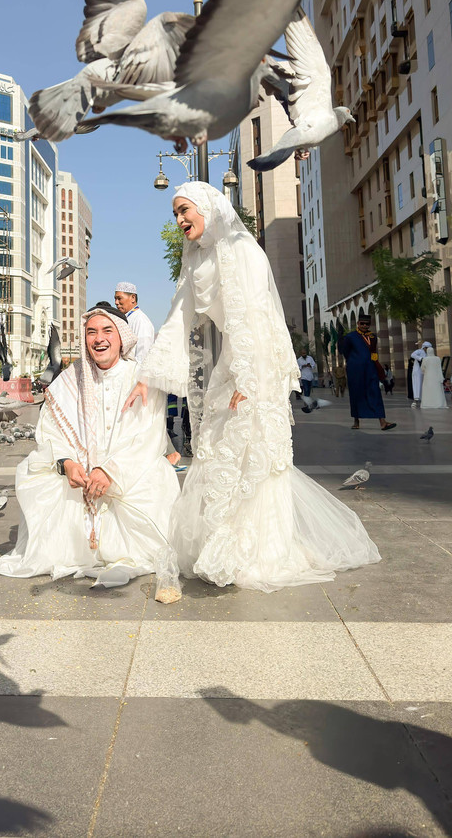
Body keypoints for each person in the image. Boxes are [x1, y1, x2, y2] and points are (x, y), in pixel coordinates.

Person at [123, 182, 380, 592]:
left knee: (255, 451)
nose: (179, 220)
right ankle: (224, 545)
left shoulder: (242, 250)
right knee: (219, 447)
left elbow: (254, 316)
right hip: (235, 360)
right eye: (175, 214)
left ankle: (263, 551)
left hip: (258, 358)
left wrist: (248, 378)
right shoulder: (194, 258)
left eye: (185, 210)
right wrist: (146, 378)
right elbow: (178, 319)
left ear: (208, 208)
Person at [0, 303, 180, 588]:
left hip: (128, 473)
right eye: (91, 332)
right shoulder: (69, 379)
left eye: (107, 330)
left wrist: (109, 471)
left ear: (122, 337)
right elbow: (50, 432)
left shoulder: (141, 379)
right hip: (80, 477)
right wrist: (67, 463)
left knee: (157, 479)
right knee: (34, 475)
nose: (99, 338)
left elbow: (148, 436)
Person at [338, 315, 395, 432]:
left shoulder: (373, 337)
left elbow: (373, 351)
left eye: (367, 324)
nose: (364, 326)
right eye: (362, 323)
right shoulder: (350, 337)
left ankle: (383, 422)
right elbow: (346, 352)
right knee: (356, 393)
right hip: (355, 370)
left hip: (370, 369)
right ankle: (356, 421)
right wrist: (355, 361)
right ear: (358, 323)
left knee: (375, 392)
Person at [114, 282, 155, 364]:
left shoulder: (141, 321)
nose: (116, 302)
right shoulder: (126, 318)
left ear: (133, 298)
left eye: (119, 298)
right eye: (115, 299)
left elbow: (143, 356)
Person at [410, 341, 432, 407]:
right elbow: (412, 355)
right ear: (424, 347)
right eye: (427, 348)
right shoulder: (419, 351)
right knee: (417, 384)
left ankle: (423, 399)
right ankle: (416, 400)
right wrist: (420, 359)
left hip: (424, 372)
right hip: (417, 371)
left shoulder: (428, 354)